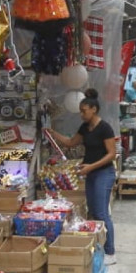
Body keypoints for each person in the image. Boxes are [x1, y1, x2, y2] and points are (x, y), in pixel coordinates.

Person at [46, 89, 118, 263]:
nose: (81, 114)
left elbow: (111, 154)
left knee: (102, 212)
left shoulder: (104, 128)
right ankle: (98, 245)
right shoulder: (85, 128)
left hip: (104, 173)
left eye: (84, 111)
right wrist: (52, 133)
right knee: (93, 211)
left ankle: (110, 252)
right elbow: (71, 143)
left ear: (94, 109)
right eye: (80, 111)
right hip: (91, 173)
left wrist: (91, 166)